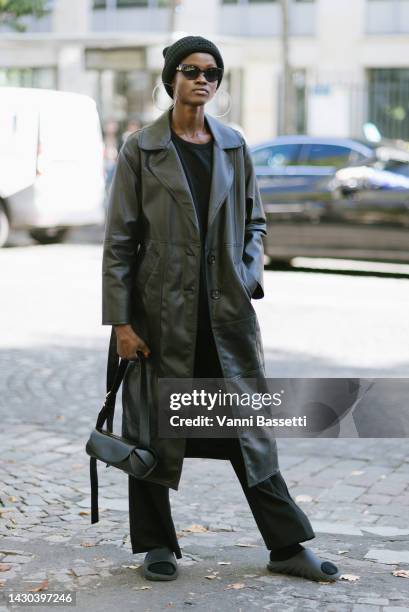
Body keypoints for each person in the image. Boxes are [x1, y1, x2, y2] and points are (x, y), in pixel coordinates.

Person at [101, 35, 341, 583]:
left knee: (246, 428)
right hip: (159, 316)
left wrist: (247, 274)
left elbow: (256, 222)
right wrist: (121, 321)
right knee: (153, 427)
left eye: (212, 71)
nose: (202, 78)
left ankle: (287, 545)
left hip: (226, 315)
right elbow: (119, 241)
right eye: (190, 69)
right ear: (171, 79)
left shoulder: (234, 146)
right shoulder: (142, 149)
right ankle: (157, 546)